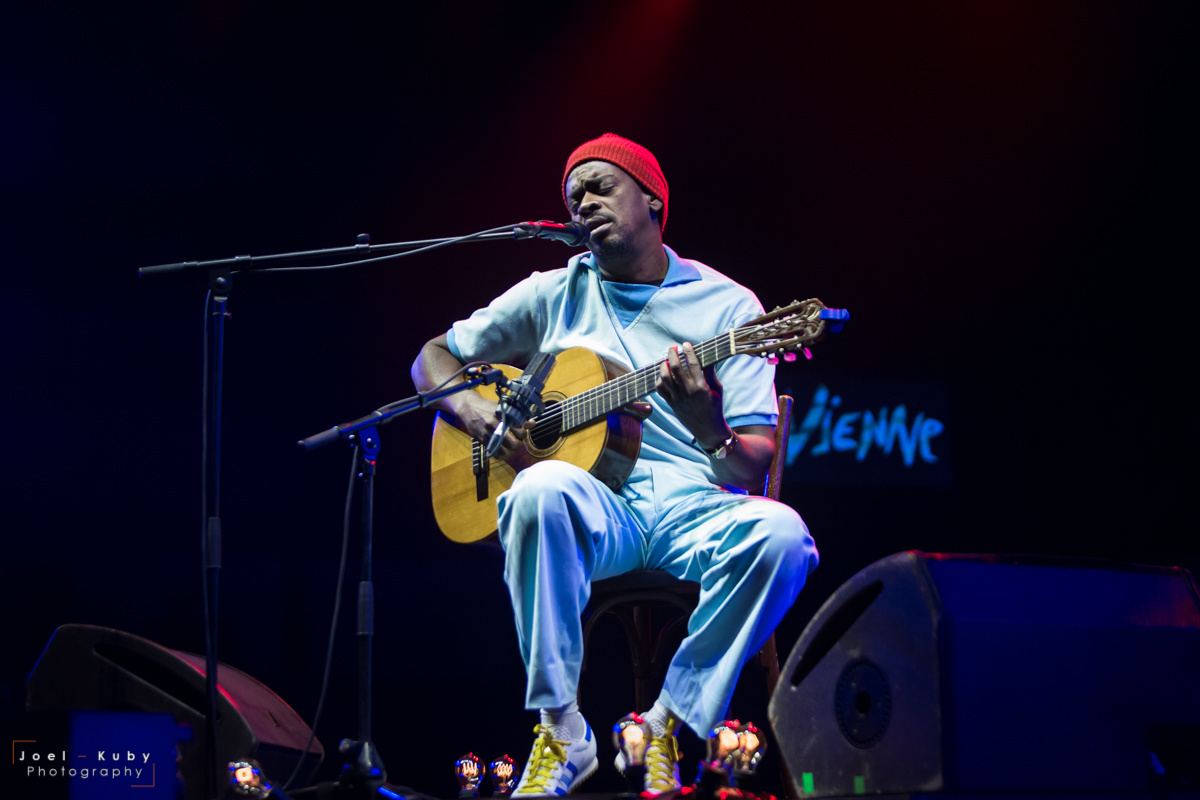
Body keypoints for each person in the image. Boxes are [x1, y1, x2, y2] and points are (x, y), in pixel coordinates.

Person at [411, 133, 818, 796]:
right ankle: (561, 731)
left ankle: (663, 725)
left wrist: (707, 424)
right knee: (538, 487)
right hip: (603, 509)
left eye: (601, 187)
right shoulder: (552, 291)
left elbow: (749, 467)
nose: (584, 204)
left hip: (695, 506)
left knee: (784, 537)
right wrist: (475, 413)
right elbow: (431, 357)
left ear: (653, 199)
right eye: (574, 198)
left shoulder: (730, 308)